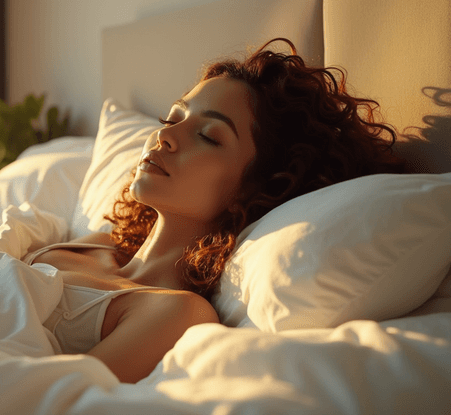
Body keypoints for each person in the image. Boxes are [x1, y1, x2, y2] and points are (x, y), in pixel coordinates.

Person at [23, 38, 405, 383]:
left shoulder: (176, 312)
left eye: (208, 136)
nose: (165, 136)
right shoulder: (98, 243)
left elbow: (51, 399)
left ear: (262, 185)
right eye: (173, 118)